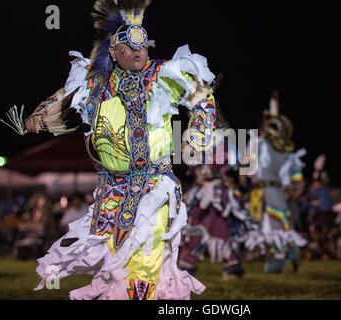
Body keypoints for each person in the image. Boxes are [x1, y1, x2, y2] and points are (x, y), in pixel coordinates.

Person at [13, 0, 217, 300]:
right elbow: (62, 96)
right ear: (113, 51)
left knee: (145, 260)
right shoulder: (95, 82)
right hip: (110, 190)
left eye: (143, 46)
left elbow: (202, 97)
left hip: (153, 186)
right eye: (130, 48)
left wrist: (196, 135)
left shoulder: (161, 76)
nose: (139, 52)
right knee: (114, 265)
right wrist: (40, 116)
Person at [247, 91, 307, 273]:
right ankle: (281, 257)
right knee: (265, 227)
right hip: (266, 193)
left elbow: (247, 169)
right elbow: (298, 182)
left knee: (274, 226)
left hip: (270, 192)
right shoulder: (276, 149)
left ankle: (285, 255)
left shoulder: (262, 145)